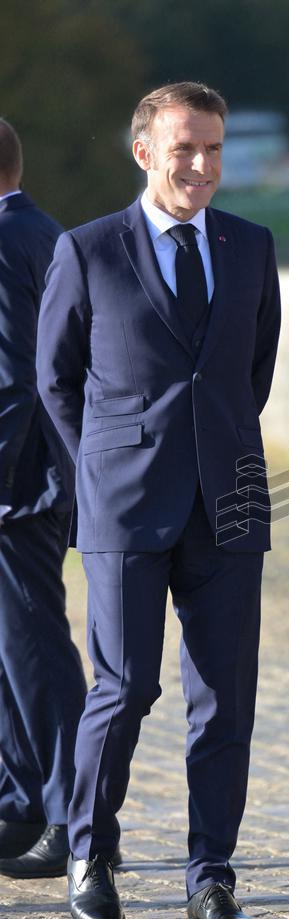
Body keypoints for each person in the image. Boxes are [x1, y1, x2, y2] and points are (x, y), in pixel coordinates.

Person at [36, 82, 280, 919]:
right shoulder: (89, 249)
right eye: (185, 148)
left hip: (232, 503)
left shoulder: (252, 247)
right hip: (123, 507)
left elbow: (252, 371)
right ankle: (88, 855)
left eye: (213, 148)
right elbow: (56, 381)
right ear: (145, 151)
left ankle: (211, 880)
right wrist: (104, 467)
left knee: (225, 702)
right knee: (126, 686)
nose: (202, 165)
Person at [0, 119, 88, 879]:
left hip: (20, 486)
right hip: (32, 479)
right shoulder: (40, 229)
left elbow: (15, 379)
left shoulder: (7, 239)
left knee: (34, 648)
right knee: (10, 647)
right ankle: (19, 802)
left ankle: (70, 814)